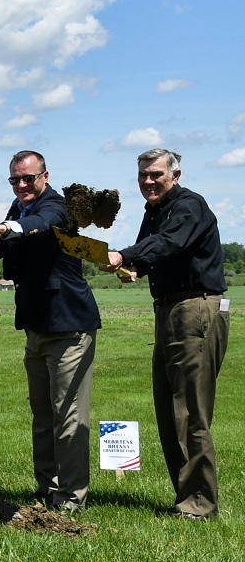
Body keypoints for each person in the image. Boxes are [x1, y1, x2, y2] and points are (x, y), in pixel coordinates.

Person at [104, 148, 229, 519]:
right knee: (169, 407)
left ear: (176, 174)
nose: (148, 181)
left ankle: (200, 503)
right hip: (170, 309)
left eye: (155, 174)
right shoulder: (155, 211)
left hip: (195, 308)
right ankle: (186, 496)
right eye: (142, 175)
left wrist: (123, 255)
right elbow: (153, 251)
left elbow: (169, 242)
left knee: (190, 410)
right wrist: (135, 267)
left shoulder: (189, 206)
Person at [0, 150, 99, 513]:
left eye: (28, 178)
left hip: (68, 325)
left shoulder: (56, 207)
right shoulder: (19, 210)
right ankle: (48, 487)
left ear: (45, 176)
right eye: (15, 180)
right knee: (43, 415)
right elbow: (6, 249)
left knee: (68, 416)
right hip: (35, 325)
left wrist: (6, 228)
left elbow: (42, 226)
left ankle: (71, 497)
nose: (21, 185)